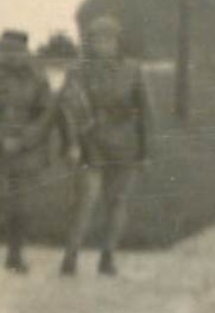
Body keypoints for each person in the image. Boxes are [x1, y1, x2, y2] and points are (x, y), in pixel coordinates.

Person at [58, 15, 151, 277]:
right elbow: (66, 111)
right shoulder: (78, 71)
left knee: (118, 203)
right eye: (97, 38)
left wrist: (145, 151)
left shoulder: (132, 70)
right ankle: (70, 257)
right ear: (89, 42)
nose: (103, 44)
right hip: (91, 144)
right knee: (85, 201)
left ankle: (107, 256)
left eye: (109, 38)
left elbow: (144, 112)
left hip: (124, 145)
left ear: (118, 41)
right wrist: (72, 144)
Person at [0, 30, 58, 273]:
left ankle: (15, 255)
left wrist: (25, 139)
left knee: (22, 206)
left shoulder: (38, 79)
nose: (12, 56)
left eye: (18, 51)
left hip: (26, 150)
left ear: (26, 53)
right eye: (7, 50)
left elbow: (46, 113)